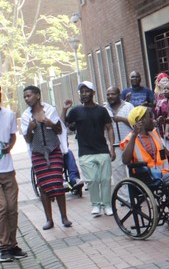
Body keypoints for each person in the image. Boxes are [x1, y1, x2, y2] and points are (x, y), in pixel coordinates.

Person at [20, 86, 72, 230]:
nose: (26, 99)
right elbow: (27, 139)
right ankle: (49, 219)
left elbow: (59, 129)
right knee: (43, 185)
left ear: (37, 96)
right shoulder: (26, 116)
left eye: (28, 95)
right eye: (24, 96)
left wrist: (50, 124)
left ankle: (64, 217)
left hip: (53, 150)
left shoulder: (49, 110)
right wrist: (31, 127)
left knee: (57, 181)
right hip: (38, 153)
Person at [62, 81, 116, 217]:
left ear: (93, 93)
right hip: (85, 152)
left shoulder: (102, 110)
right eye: (82, 92)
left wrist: (112, 147)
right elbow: (63, 124)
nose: (84, 94)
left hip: (102, 150)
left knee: (105, 179)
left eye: (87, 91)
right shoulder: (76, 111)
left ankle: (107, 205)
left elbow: (109, 127)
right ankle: (96, 205)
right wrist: (64, 109)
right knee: (91, 180)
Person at [0, 87, 24, 263]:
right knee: (1, 208)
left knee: (12, 208)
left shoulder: (8, 114)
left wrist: (10, 146)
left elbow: (12, 136)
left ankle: (13, 244)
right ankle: (3, 247)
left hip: (7, 169)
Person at [104, 87, 133, 191]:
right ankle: (124, 199)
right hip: (114, 145)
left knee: (132, 171)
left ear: (119, 94)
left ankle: (136, 194)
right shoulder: (104, 109)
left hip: (130, 144)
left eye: (113, 94)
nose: (110, 96)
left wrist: (120, 119)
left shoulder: (128, 106)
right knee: (118, 173)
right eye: (108, 94)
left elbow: (135, 123)